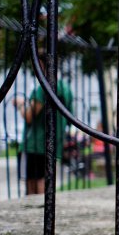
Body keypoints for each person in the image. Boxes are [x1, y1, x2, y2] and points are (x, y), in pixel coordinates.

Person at [12, 52, 74, 195]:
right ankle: (46, 211)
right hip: (53, 141)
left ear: (41, 64)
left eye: (36, 63)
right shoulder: (65, 87)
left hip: (34, 143)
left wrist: (20, 104)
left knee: (34, 181)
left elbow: (30, 116)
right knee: (45, 177)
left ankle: (37, 212)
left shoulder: (43, 87)